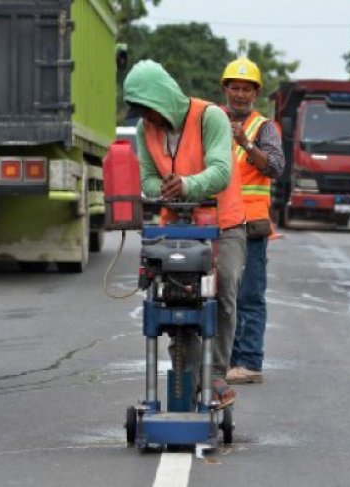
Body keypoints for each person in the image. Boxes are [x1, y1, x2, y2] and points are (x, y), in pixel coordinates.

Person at [123, 60, 246, 407]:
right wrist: (164, 188)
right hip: (176, 225)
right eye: (142, 113)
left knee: (222, 288)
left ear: (163, 99)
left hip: (223, 223)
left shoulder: (211, 118)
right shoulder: (145, 132)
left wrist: (188, 185)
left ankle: (217, 374)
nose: (147, 119)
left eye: (149, 110)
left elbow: (221, 170)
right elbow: (147, 176)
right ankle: (187, 375)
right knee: (177, 295)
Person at [220, 58, 285, 385]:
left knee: (248, 296)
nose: (240, 94)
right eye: (235, 88)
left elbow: (275, 167)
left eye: (247, 89)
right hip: (216, 221)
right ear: (225, 89)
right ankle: (224, 360)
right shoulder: (212, 120)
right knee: (219, 294)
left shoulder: (264, 128)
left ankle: (249, 361)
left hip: (251, 225)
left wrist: (246, 143)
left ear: (255, 93)